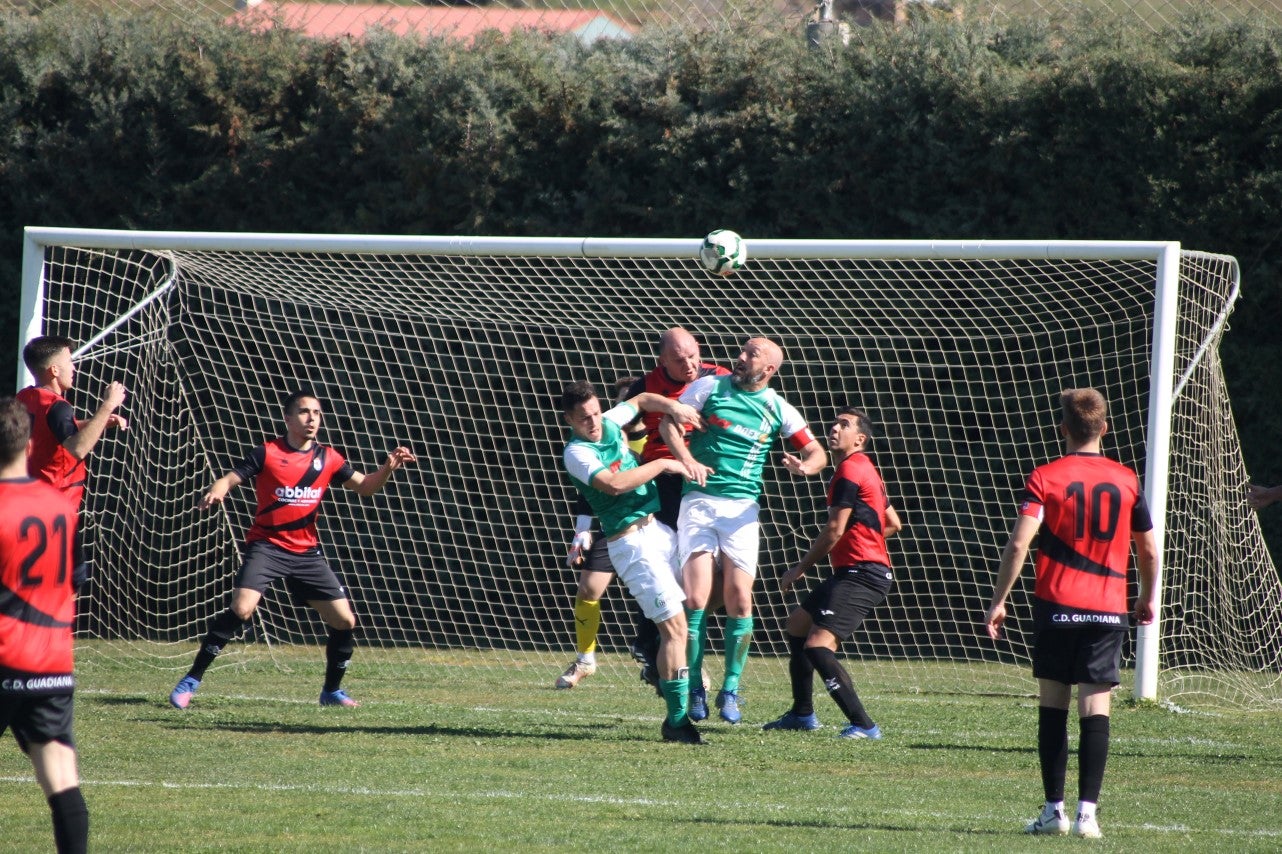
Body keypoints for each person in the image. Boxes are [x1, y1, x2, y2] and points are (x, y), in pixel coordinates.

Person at [983, 388, 1159, 839]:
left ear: (1063, 429)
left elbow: (1020, 543)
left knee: (1053, 706)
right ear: (1104, 427)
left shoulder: (1046, 476)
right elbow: (1150, 550)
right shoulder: (1126, 480)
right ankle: (1088, 816)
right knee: (1095, 707)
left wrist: (1000, 599)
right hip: (1106, 608)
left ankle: (1053, 812)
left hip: (1057, 605)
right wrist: (1145, 596)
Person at [169, 389, 416, 710]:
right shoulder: (267, 452)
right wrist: (217, 490)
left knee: (344, 621)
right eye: (303, 412)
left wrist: (388, 468)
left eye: (316, 412)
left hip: (305, 553)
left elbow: (366, 487)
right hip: (267, 547)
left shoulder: (329, 458)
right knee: (242, 609)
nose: (311, 418)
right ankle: (191, 680)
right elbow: (231, 478)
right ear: (288, 418)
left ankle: (331, 691)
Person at [659, 337, 826, 724]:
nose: (741, 357)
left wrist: (806, 467)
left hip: (741, 510)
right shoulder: (708, 386)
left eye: (752, 354)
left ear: (768, 369)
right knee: (696, 600)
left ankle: (730, 689)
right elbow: (670, 424)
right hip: (699, 502)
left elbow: (816, 451)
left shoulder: (777, 408)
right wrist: (686, 459)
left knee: (740, 600)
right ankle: (695, 687)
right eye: (743, 350)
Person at [559, 380, 704, 743]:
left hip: (658, 531)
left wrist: (675, 408)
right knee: (676, 629)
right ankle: (677, 720)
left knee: (704, 598)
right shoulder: (576, 453)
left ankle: (659, 662)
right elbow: (614, 484)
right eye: (583, 419)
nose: (592, 423)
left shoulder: (609, 420)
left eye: (594, 413)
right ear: (569, 421)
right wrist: (663, 464)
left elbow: (640, 400)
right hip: (631, 544)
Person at [762, 407, 902, 739]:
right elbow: (894, 523)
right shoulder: (864, 469)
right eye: (834, 423)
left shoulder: (851, 471)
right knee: (797, 626)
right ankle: (801, 714)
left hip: (864, 574)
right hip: (856, 570)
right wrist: (864, 538)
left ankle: (864, 725)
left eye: (844, 425)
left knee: (818, 645)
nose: (834, 428)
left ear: (860, 439)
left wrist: (800, 568)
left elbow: (833, 530)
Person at [0, 397, 89, 853]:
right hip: (51, 660)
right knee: (61, 780)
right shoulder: (59, 506)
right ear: (31, 442)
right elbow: (74, 579)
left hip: (3, 658)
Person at [622, 329, 730, 687]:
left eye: (693, 356)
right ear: (662, 361)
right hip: (666, 483)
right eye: (679, 359)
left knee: (713, 575)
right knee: (664, 564)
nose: (689, 365)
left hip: (710, 482)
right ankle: (652, 642)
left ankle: (669, 645)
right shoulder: (643, 387)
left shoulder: (719, 377)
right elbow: (617, 430)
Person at [555, 377, 647, 690]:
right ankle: (585, 660)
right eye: (620, 401)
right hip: (613, 524)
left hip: (647, 522)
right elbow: (591, 488)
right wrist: (582, 530)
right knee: (588, 590)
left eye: (629, 402)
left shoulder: (652, 440)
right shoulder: (600, 438)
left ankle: (669, 661)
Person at [16, 335, 128, 512]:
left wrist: (97, 423)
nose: (74, 367)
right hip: (51, 512)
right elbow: (78, 448)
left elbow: (50, 431)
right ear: (54, 370)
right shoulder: (57, 406)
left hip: (23, 501)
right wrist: (108, 405)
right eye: (69, 362)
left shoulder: (23, 398)